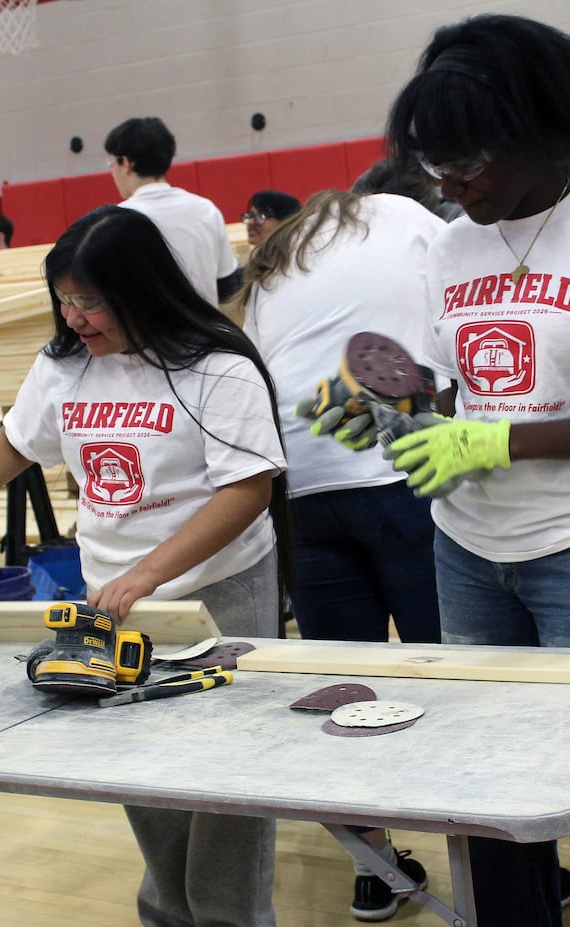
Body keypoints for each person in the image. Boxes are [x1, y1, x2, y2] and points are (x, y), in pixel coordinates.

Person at [313, 14, 570, 926]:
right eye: (439, 170)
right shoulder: (449, 245)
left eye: (471, 165)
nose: (454, 186)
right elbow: (451, 392)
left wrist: (506, 442)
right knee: (489, 773)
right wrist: (406, 422)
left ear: (542, 135)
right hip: (465, 548)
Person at [0, 205, 288, 927]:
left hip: (214, 593)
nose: (75, 317)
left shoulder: (217, 367)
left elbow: (247, 490)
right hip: (116, 602)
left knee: (225, 781)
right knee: (144, 771)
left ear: (142, 289)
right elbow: (16, 443)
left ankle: (228, 916)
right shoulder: (66, 365)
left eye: (91, 300)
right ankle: (168, 912)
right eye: (65, 300)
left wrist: (149, 573)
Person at [234, 187, 444, 922]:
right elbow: (447, 338)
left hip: (298, 485)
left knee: (347, 686)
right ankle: (501, 861)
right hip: (391, 470)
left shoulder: (280, 255)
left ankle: (374, 867)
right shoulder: (413, 218)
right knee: (455, 673)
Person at [105, 116, 243, 306]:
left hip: (150, 335)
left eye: (111, 163)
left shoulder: (114, 221)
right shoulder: (206, 210)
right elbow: (228, 288)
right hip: (206, 332)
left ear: (126, 163)